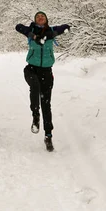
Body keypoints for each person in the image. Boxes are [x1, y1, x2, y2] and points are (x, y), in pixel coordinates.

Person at [15, 11, 70, 151]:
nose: (40, 18)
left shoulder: (51, 31)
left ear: (46, 20)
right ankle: (35, 116)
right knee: (34, 85)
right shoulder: (31, 30)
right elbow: (18, 26)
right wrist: (34, 36)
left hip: (46, 71)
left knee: (46, 104)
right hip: (31, 69)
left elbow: (63, 27)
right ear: (35, 20)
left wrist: (64, 28)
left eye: (43, 16)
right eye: (38, 16)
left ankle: (48, 135)